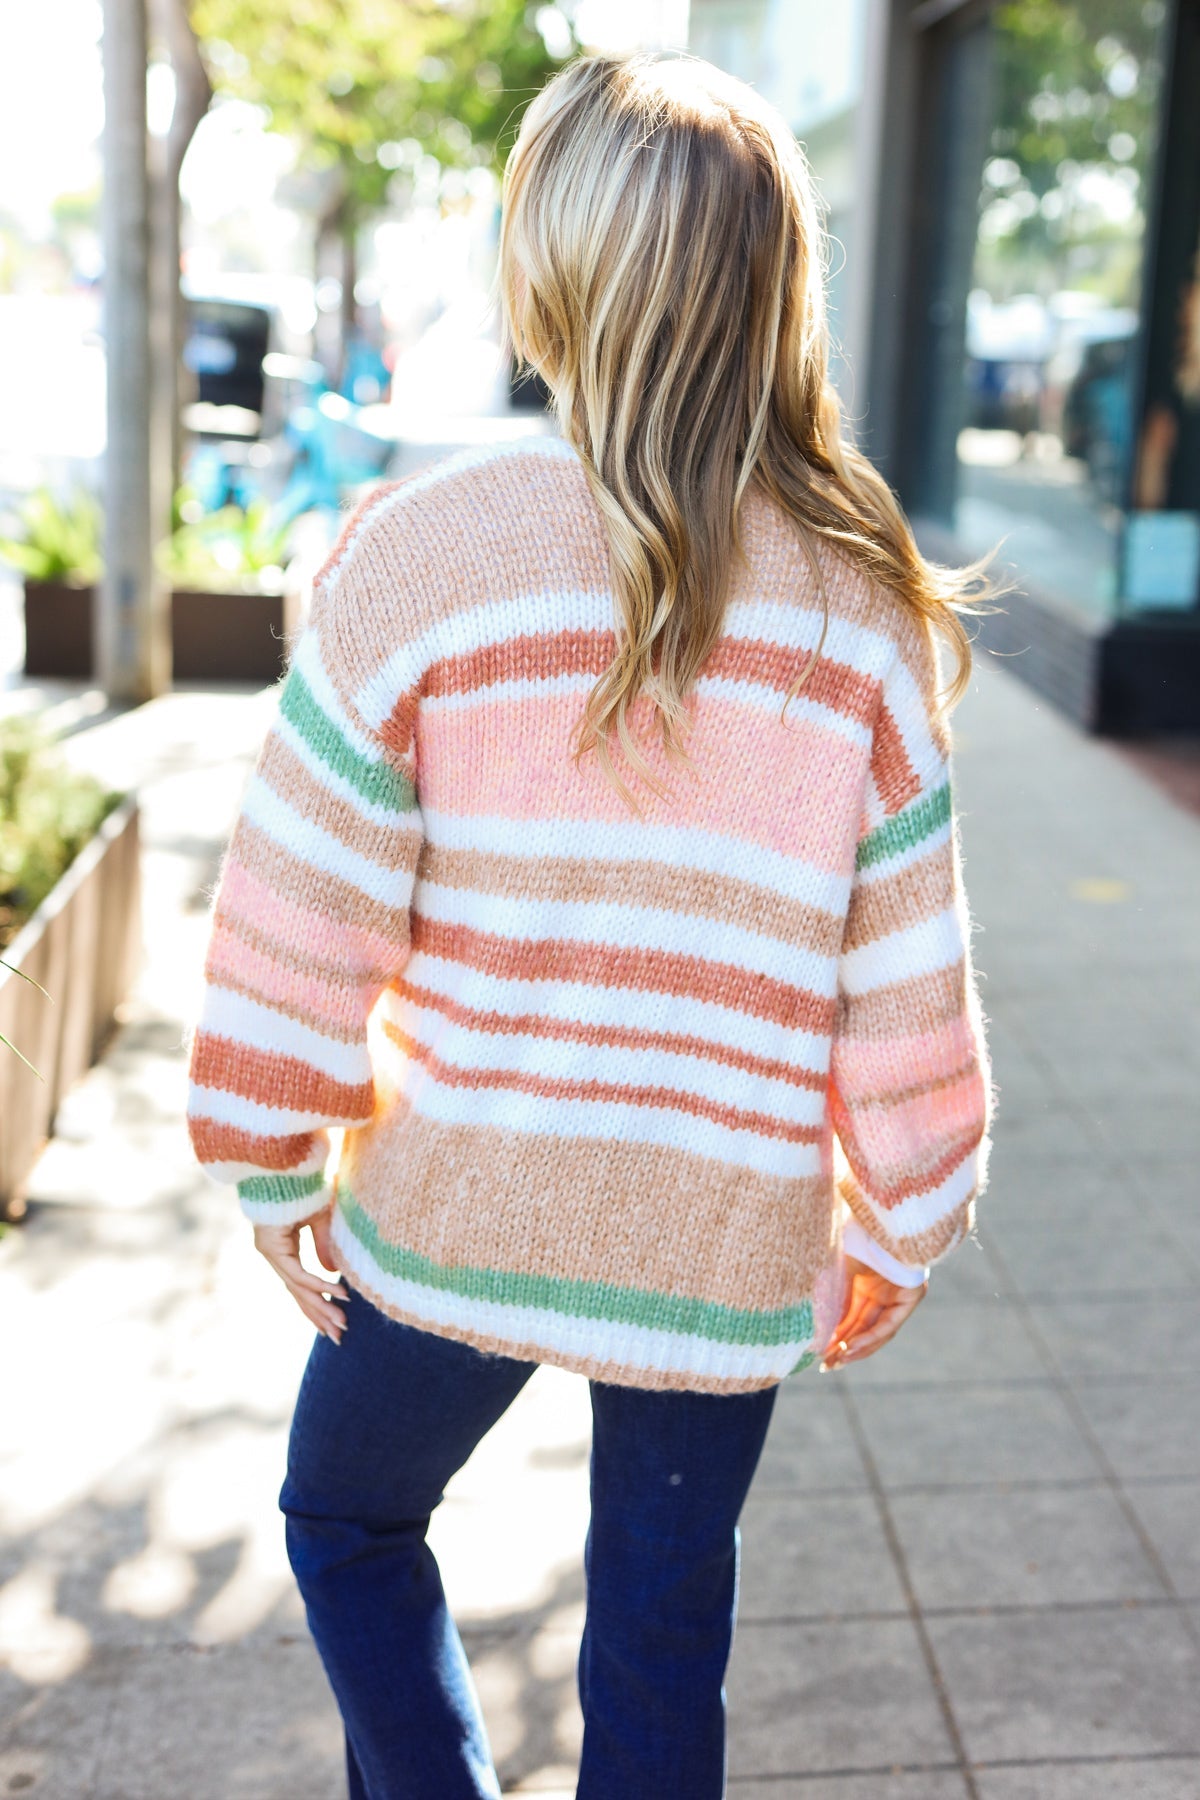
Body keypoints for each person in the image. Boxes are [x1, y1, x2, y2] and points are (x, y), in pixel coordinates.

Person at [185, 49, 996, 1800]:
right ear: (774, 292)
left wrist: (272, 1157)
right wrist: (909, 1213)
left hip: (459, 1199)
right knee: (659, 1626)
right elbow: (906, 972)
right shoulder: (857, 604)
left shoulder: (418, 559)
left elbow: (304, 897)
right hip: (719, 1224)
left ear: (548, 277)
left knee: (345, 1516)